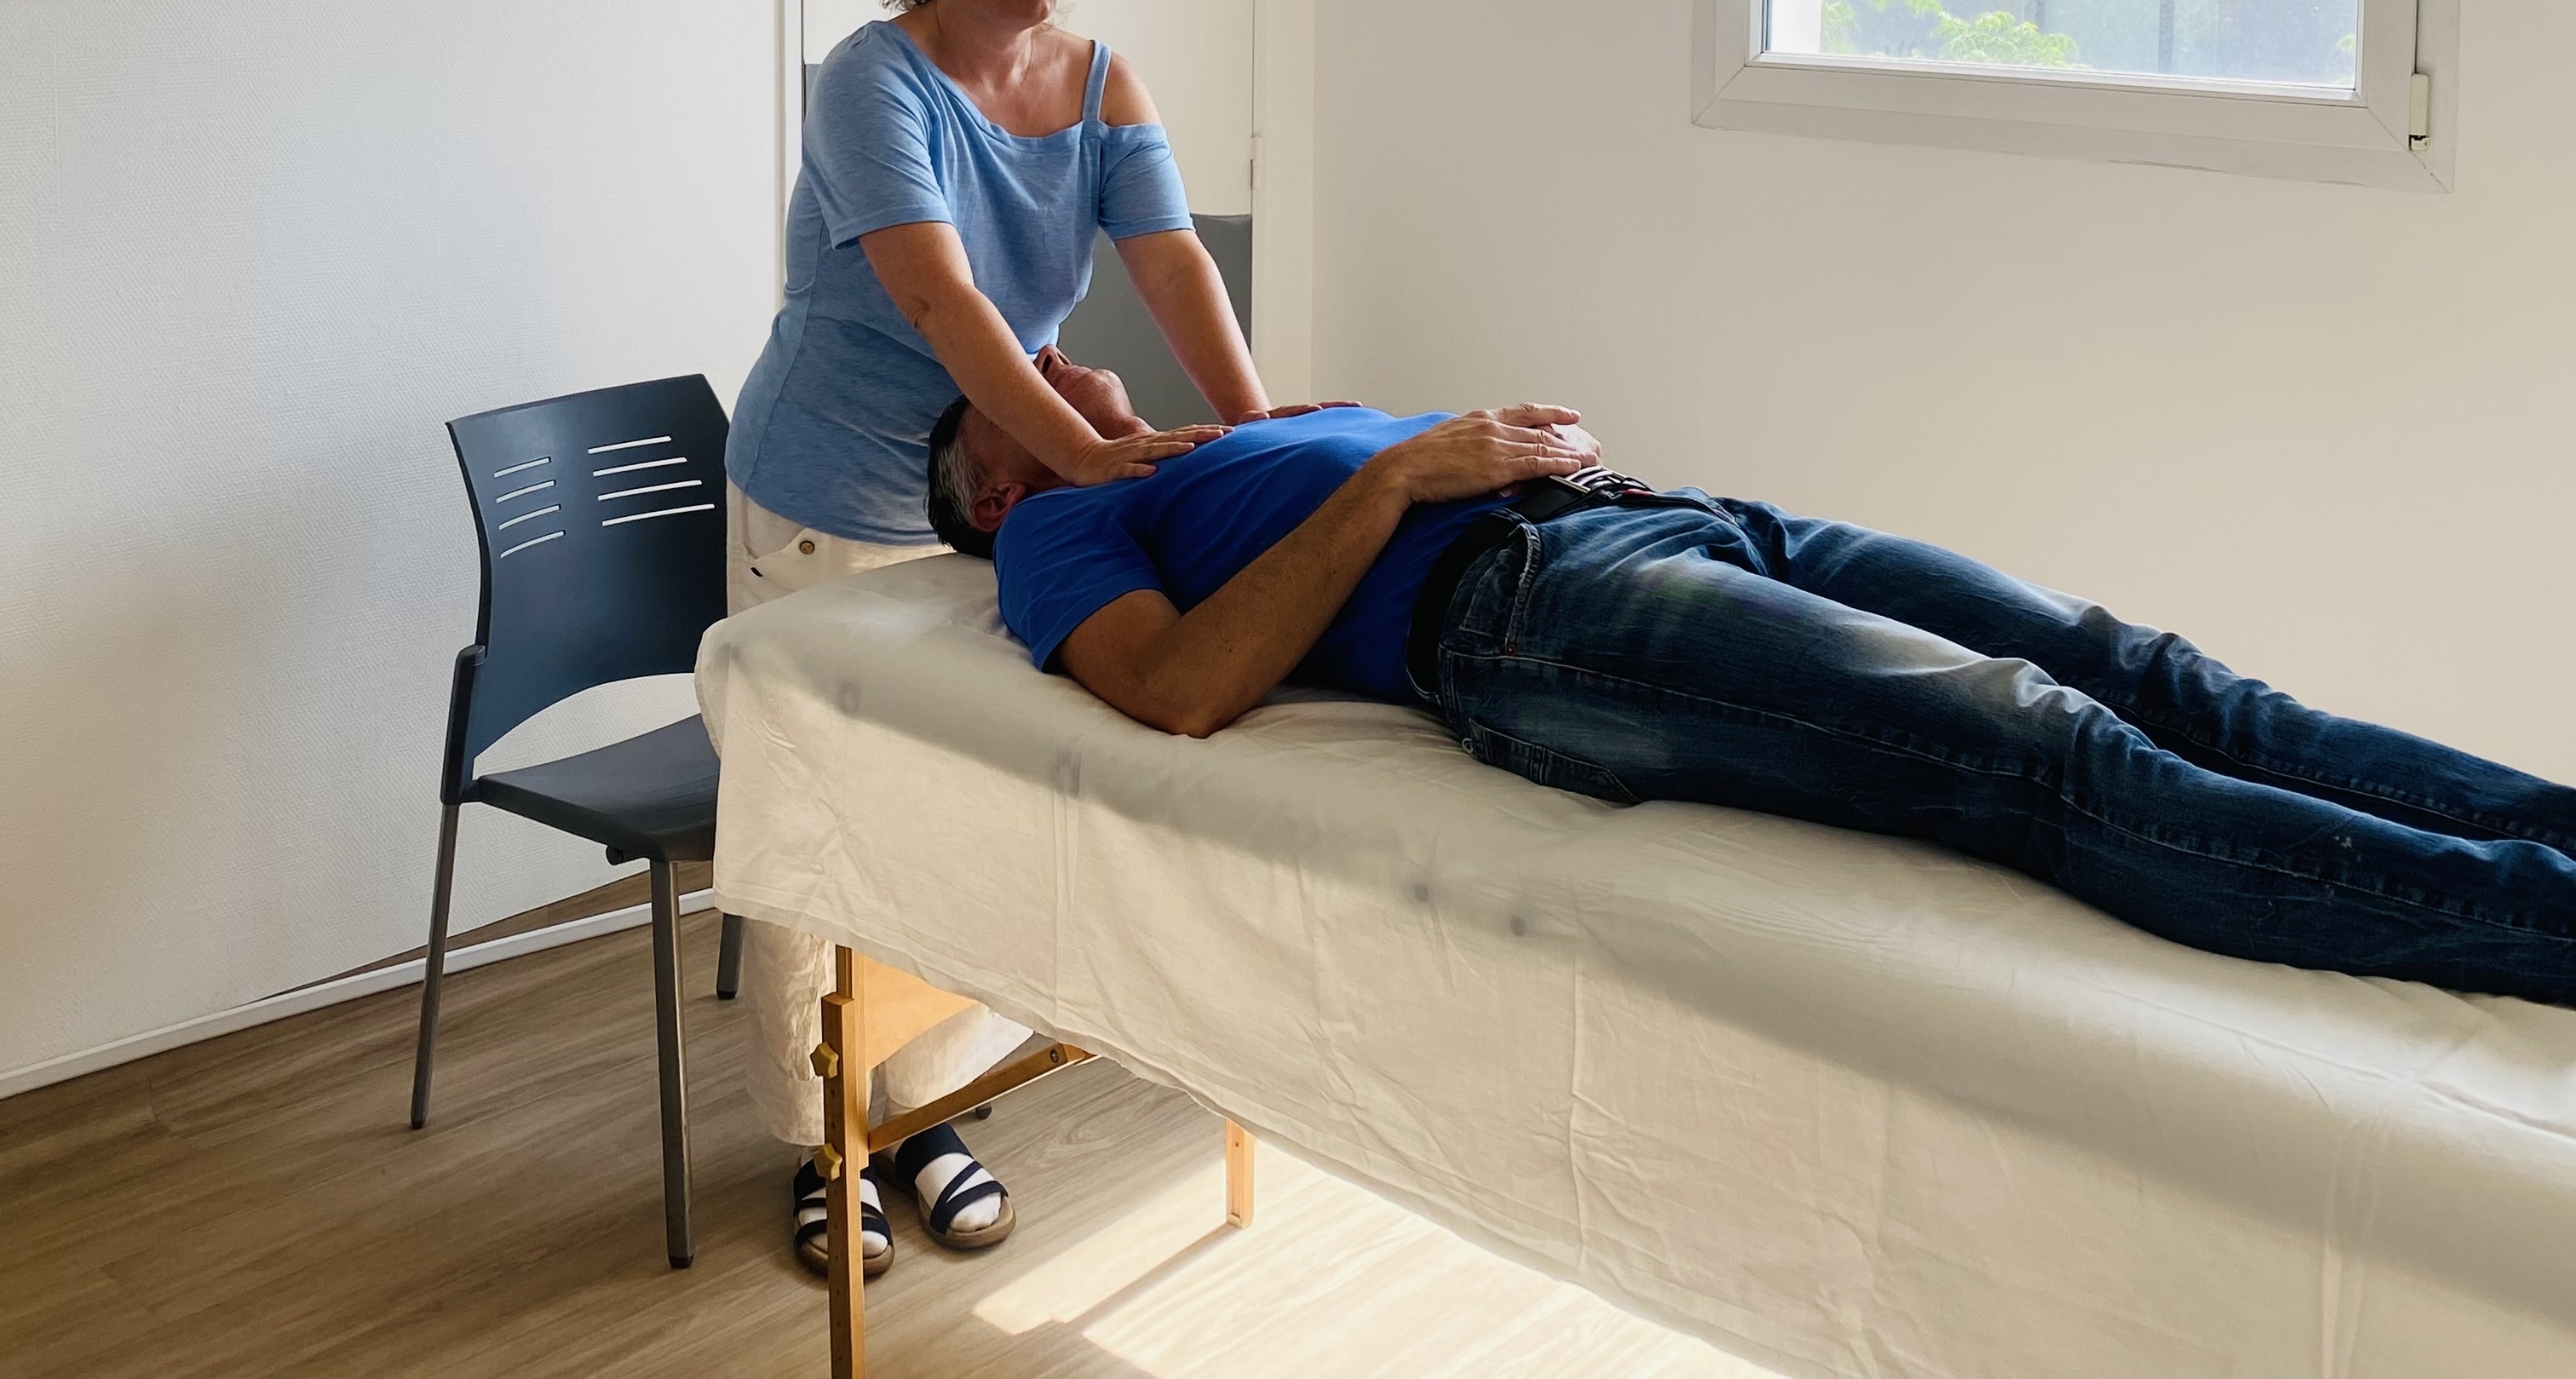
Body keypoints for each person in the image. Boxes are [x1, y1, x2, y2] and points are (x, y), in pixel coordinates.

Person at [921, 359, 2576, 1006]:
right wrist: (1403, 471)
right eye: (1013, 377)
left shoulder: (1210, 442)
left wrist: (1456, 441)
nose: (1051, 352)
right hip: (1534, 614)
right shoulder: (1059, 527)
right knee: (2044, 746)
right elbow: (1184, 688)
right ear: (990, 490)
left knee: (2155, 672)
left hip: (1668, 517)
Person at [727, 0, 1271, 1279]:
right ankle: (825, 1143)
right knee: (823, 813)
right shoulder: (873, 80)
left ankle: (924, 1113)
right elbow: (940, 297)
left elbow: (1172, 265)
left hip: (992, 492)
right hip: (832, 497)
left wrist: (1259, 432)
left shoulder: (1098, 82)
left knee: (972, 806)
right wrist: (1086, 451)